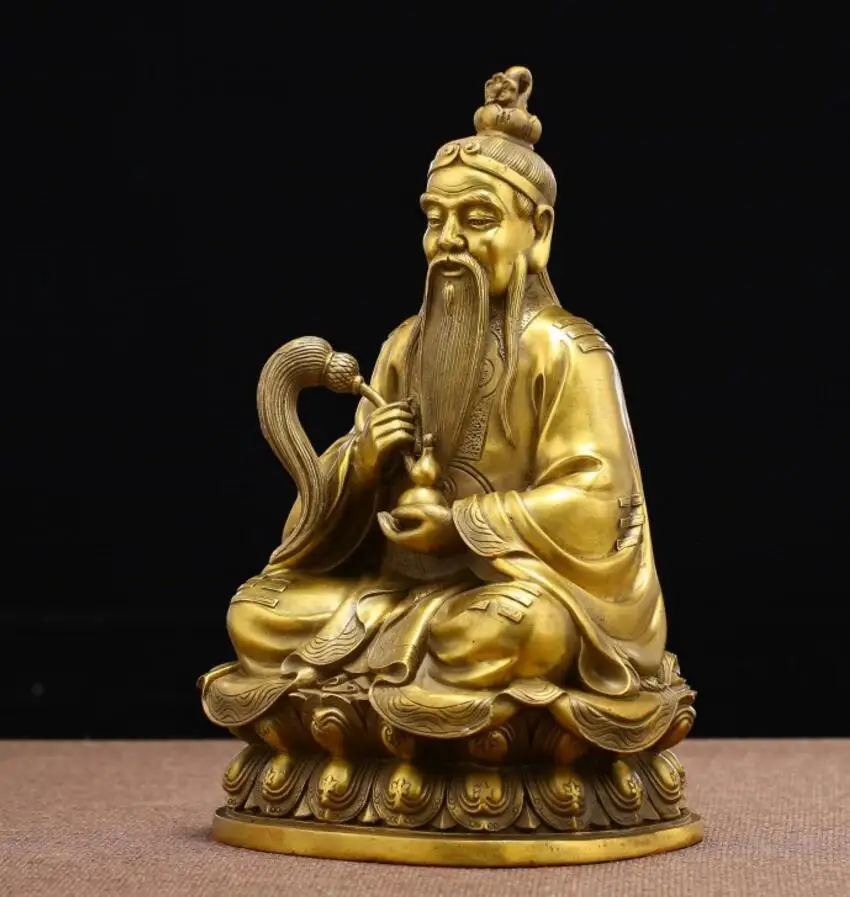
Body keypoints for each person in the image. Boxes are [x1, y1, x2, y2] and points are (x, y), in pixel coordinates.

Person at [199, 66, 693, 756]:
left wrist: (459, 525)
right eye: (436, 220)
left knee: (508, 632)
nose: (449, 240)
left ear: (538, 231)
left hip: (515, 594)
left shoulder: (566, 348)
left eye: (477, 219)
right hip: (395, 593)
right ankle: (418, 697)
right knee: (255, 613)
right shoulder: (406, 344)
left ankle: (399, 702)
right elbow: (334, 514)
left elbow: (599, 500)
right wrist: (364, 462)